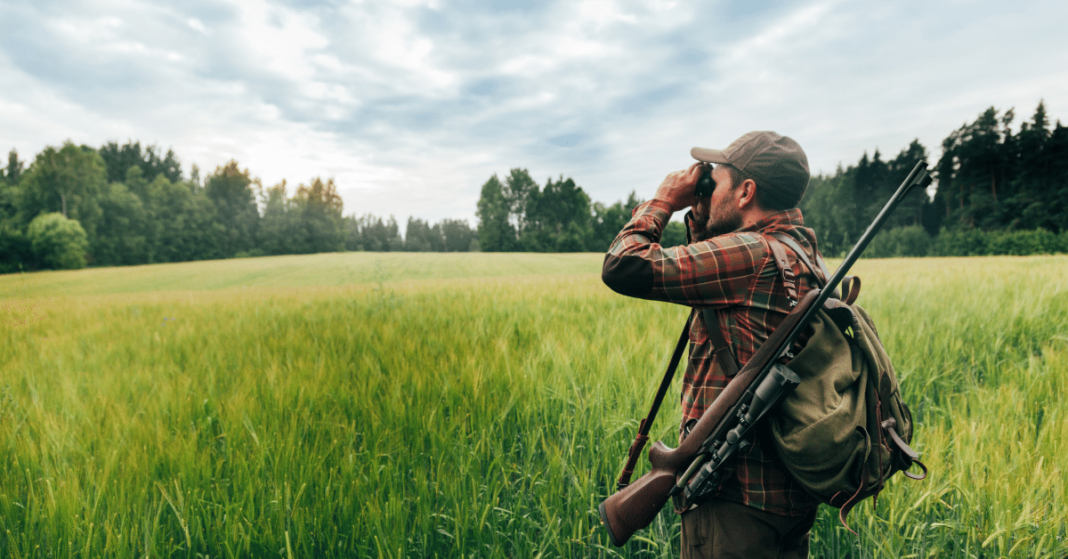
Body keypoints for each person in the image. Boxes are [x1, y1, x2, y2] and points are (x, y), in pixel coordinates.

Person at [601, 131, 825, 559]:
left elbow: (622, 264)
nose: (704, 188)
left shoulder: (749, 255)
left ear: (746, 192)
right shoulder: (803, 254)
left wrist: (663, 201)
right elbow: (710, 283)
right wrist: (704, 217)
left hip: (732, 503)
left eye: (714, 181)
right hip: (788, 497)